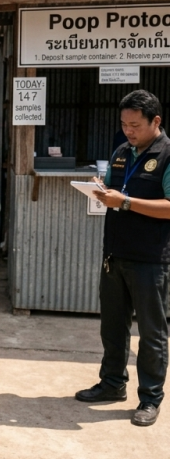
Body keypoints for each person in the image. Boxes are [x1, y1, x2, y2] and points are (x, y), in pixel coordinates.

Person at [77, 89, 170, 427]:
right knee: (113, 328)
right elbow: (115, 192)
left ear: (155, 121)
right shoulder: (121, 152)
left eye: (135, 125)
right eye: (124, 124)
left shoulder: (167, 155)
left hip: (150, 260)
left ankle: (150, 398)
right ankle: (112, 384)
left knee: (152, 333)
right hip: (114, 256)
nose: (128, 131)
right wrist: (101, 191)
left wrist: (126, 203)